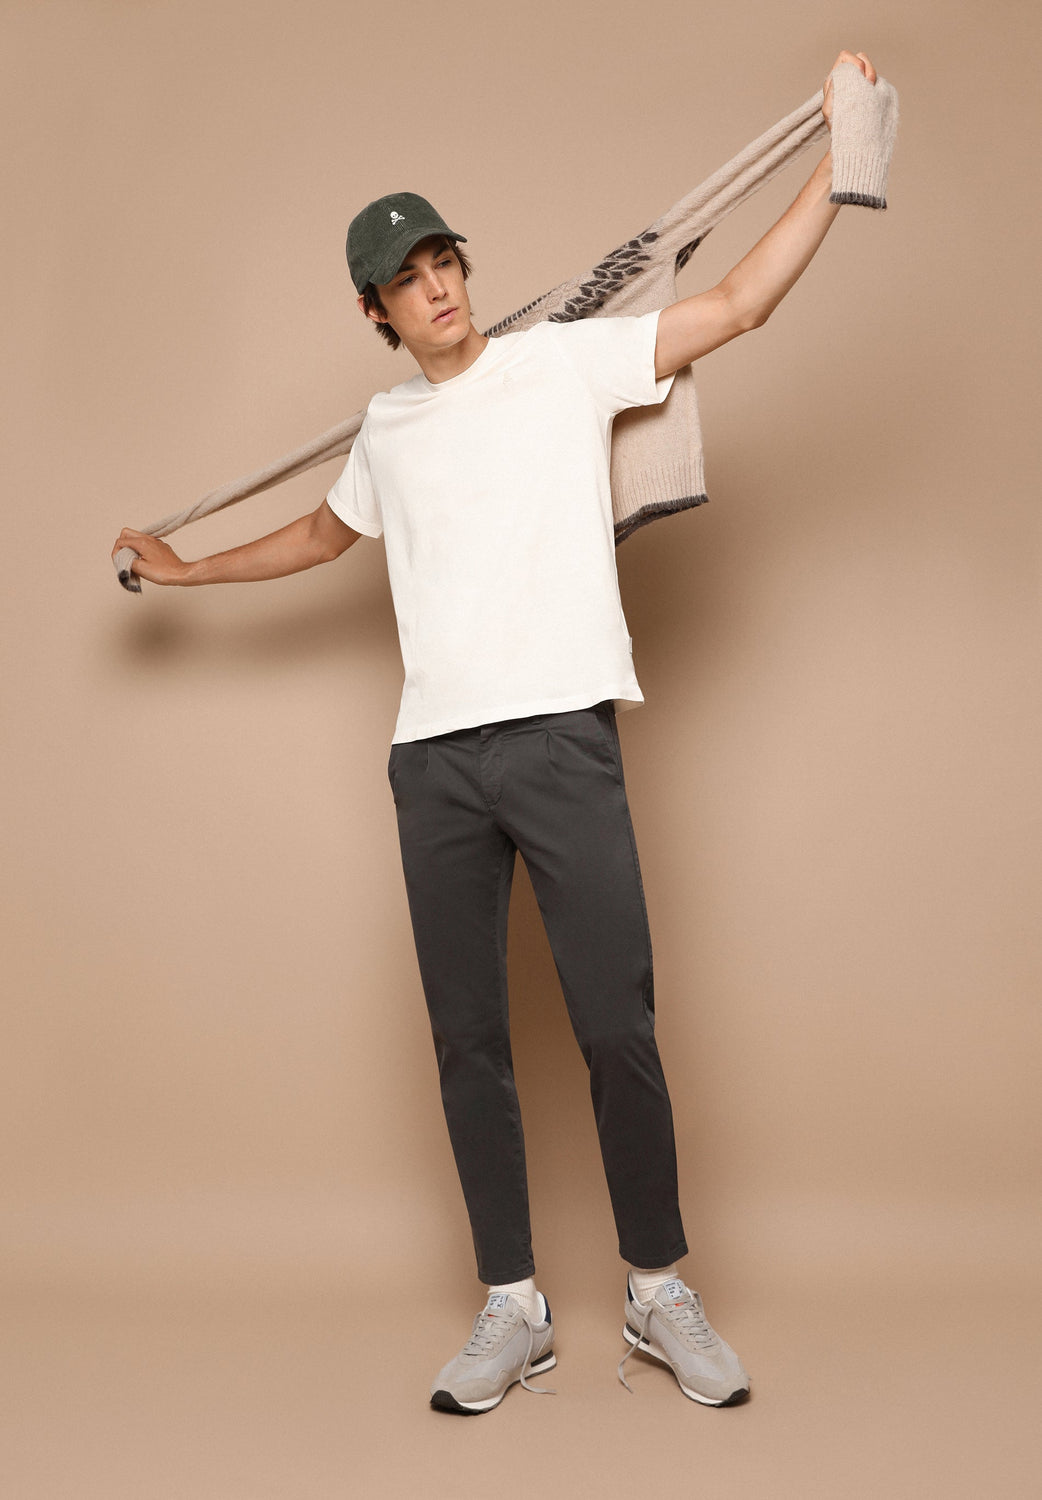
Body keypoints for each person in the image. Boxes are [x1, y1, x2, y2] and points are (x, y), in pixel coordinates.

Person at [112, 49, 878, 1414]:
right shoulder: (385, 429)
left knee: (615, 1026)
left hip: (560, 742)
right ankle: (512, 1307)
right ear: (376, 310)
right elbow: (320, 538)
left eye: (445, 260)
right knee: (468, 1042)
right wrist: (184, 573)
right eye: (407, 279)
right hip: (435, 767)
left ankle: (656, 1290)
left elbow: (737, 306)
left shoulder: (561, 364)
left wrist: (842, 150)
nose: (438, 286)